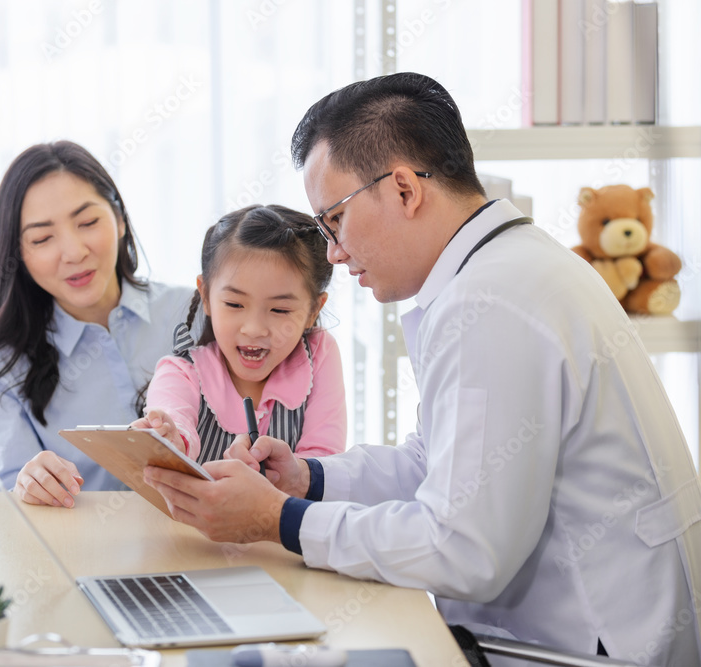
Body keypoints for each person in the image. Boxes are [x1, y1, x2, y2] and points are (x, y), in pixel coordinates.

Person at [142, 73, 701, 666]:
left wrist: (280, 519)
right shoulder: (505, 269)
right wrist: (307, 480)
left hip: (585, 649)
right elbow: (432, 463)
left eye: (334, 220)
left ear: (405, 190)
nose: (332, 251)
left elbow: (465, 551)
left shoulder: (492, 302)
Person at [0, 140, 193, 507]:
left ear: (120, 220)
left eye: (88, 222)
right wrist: (27, 488)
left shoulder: (194, 313)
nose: (74, 252)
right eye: (43, 238)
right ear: (19, 254)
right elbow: (4, 511)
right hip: (81, 560)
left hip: (216, 552)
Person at [130, 205, 346, 464]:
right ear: (206, 296)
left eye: (279, 309)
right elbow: (174, 421)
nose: (254, 329)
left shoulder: (319, 354)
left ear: (313, 310)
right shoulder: (180, 373)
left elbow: (324, 461)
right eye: (234, 304)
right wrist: (170, 438)